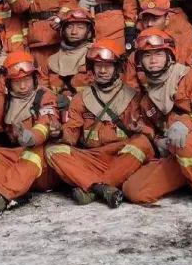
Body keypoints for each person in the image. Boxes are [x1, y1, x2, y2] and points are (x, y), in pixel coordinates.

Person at [121, 29, 192, 208]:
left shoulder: (191, 78)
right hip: (177, 154)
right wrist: (154, 137)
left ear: (169, 56)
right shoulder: (147, 97)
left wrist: (187, 123)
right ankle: (186, 178)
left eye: (159, 54)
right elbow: (152, 128)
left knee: (188, 140)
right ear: (139, 61)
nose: (153, 60)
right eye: (146, 56)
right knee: (134, 190)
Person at [44, 40, 153, 208]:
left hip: (122, 156)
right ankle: (101, 188)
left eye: (108, 66)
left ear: (117, 68)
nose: (102, 71)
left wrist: (141, 129)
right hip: (92, 157)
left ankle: (90, 187)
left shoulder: (133, 97)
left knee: (142, 143)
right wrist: (59, 133)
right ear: (91, 68)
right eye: (98, 65)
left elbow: (152, 132)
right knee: (53, 149)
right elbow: (72, 133)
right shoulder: (81, 98)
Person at [0, 52, 61, 216]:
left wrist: (32, 137)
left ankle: (4, 196)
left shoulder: (45, 96)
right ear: (8, 83)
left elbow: (46, 121)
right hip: (17, 159)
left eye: (26, 80)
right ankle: (16, 191)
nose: (23, 86)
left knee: (35, 150)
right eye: (17, 82)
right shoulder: (5, 101)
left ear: (34, 79)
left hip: (42, 168)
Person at [134, 0, 192, 76]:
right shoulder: (139, 45)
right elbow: (131, 82)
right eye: (146, 19)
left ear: (167, 18)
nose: (149, 24)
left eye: (155, 19)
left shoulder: (187, 43)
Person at [44, 8, 94, 98]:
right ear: (62, 31)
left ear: (89, 32)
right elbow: (42, 93)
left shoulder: (95, 58)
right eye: (69, 27)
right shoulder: (51, 61)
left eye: (80, 27)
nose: (74, 32)